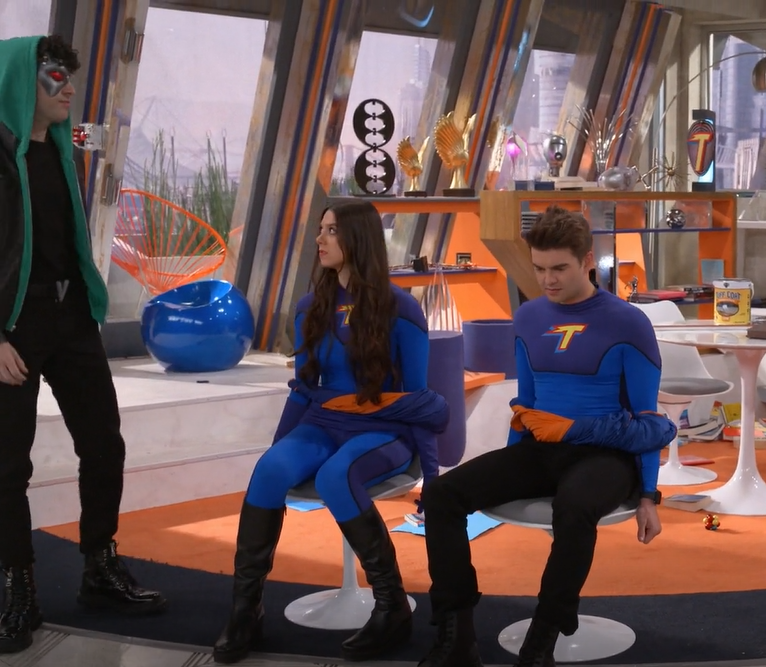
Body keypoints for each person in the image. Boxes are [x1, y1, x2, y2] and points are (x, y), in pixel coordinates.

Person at [417, 206, 676, 667]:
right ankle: (456, 636)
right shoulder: (529, 316)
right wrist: (508, 469)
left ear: (587, 261)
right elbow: (527, 406)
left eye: (559, 268)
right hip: (543, 449)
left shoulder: (628, 322)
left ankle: (541, 641)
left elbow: (648, 420)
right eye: (539, 269)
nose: (547, 280)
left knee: (573, 508)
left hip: (607, 455)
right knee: (441, 495)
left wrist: (649, 495)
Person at [212, 201, 448, 664]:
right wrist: (279, 449)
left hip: (384, 429)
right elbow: (304, 389)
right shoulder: (310, 307)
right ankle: (245, 610)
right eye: (320, 229)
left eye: (332, 231)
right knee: (268, 471)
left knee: (336, 476)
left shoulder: (402, 309)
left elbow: (418, 400)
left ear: (358, 238)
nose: (319, 239)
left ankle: (392, 607)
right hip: (323, 423)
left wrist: (432, 475)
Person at [0, 34, 167, 654]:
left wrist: (89, 309)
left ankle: (99, 567)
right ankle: (19, 590)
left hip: (70, 318)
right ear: (22, 80)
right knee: (7, 466)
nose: (68, 86)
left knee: (103, 444)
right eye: (54, 74)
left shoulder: (61, 153)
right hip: (13, 326)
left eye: (69, 75)